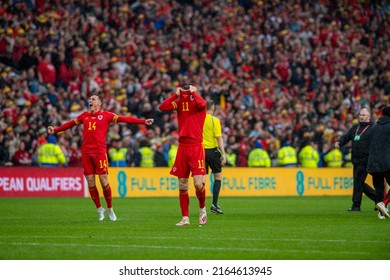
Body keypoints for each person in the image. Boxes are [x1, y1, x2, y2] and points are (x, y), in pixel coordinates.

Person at [48, 93, 154, 221]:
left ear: (99, 103)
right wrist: (55, 129)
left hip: (100, 152)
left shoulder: (106, 116)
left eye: (93, 99)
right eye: (89, 100)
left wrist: (143, 121)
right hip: (86, 152)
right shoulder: (84, 116)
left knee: (104, 181)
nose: (90, 101)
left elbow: (125, 119)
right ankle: (99, 209)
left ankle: (110, 208)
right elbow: (70, 124)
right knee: (91, 182)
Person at [158, 85, 207, 226]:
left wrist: (194, 92)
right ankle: (185, 218)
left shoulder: (198, 104)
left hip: (196, 146)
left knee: (198, 184)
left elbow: (203, 104)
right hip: (183, 147)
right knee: (182, 184)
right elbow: (163, 107)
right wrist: (175, 94)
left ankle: (202, 209)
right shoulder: (179, 103)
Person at [335, 107, 378, 212]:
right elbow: (346, 137)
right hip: (355, 159)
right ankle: (378, 199)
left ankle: (356, 205)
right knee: (358, 182)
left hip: (366, 159)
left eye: (364, 115)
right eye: (360, 115)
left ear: (368, 116)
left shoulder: (373, 128)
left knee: (358, 181)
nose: (361, 117)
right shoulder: (355, 128)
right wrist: (340, 142)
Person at [202, 100, 226, 215]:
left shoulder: (198, 118)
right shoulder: (215, 120)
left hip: (200, 152)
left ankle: (202, 206)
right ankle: (214, 204)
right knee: (218, 176)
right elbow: (219, 138)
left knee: (201, 179)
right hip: (212, 151)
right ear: (212, 109)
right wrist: (224, 154)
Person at [367, 106, 390, 219]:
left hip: (373, 163)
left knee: (379, 188)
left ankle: (381, 213)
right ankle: (383, 204)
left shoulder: (374, 126)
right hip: (386, 162)